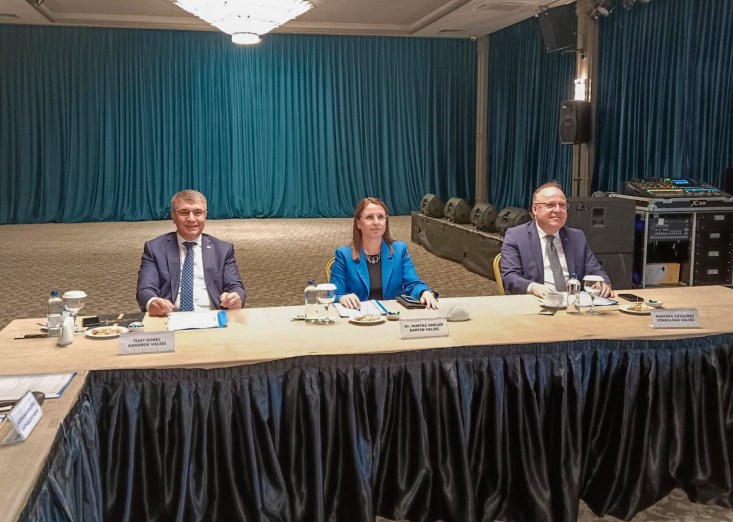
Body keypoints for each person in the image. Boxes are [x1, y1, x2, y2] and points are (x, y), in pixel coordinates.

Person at [136, 190, 246, 316]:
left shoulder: (223, 249)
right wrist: (152, 302)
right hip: (169, 317)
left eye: (198, 212)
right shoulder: (154, 248)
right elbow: (145, 289)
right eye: (184, 212)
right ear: (173, 216)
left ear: (205, 215)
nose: (191, 219)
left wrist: (235, 298)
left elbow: (236, 287)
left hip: (213, 317)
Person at [500, 181, 613, 298]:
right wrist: (533, 287)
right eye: (550, 205)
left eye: (562, 205)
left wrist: (602, 283)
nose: (558, 210)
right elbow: (510, 277)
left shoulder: (577, 237)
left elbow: (595, 271)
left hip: (573, 303)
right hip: (536, 302)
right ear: (535, 209)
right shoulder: (516, 236)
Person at [332, 197, 438, 309]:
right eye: (369, 217)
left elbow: (413, 284)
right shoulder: (343, 255)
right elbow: (334, 294)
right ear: (358, 223)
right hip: (359, 316)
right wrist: (342, 298)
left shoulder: (399, 250)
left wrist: (423, 292)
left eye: (381, 217)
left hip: (392, 315)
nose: (376, 222)